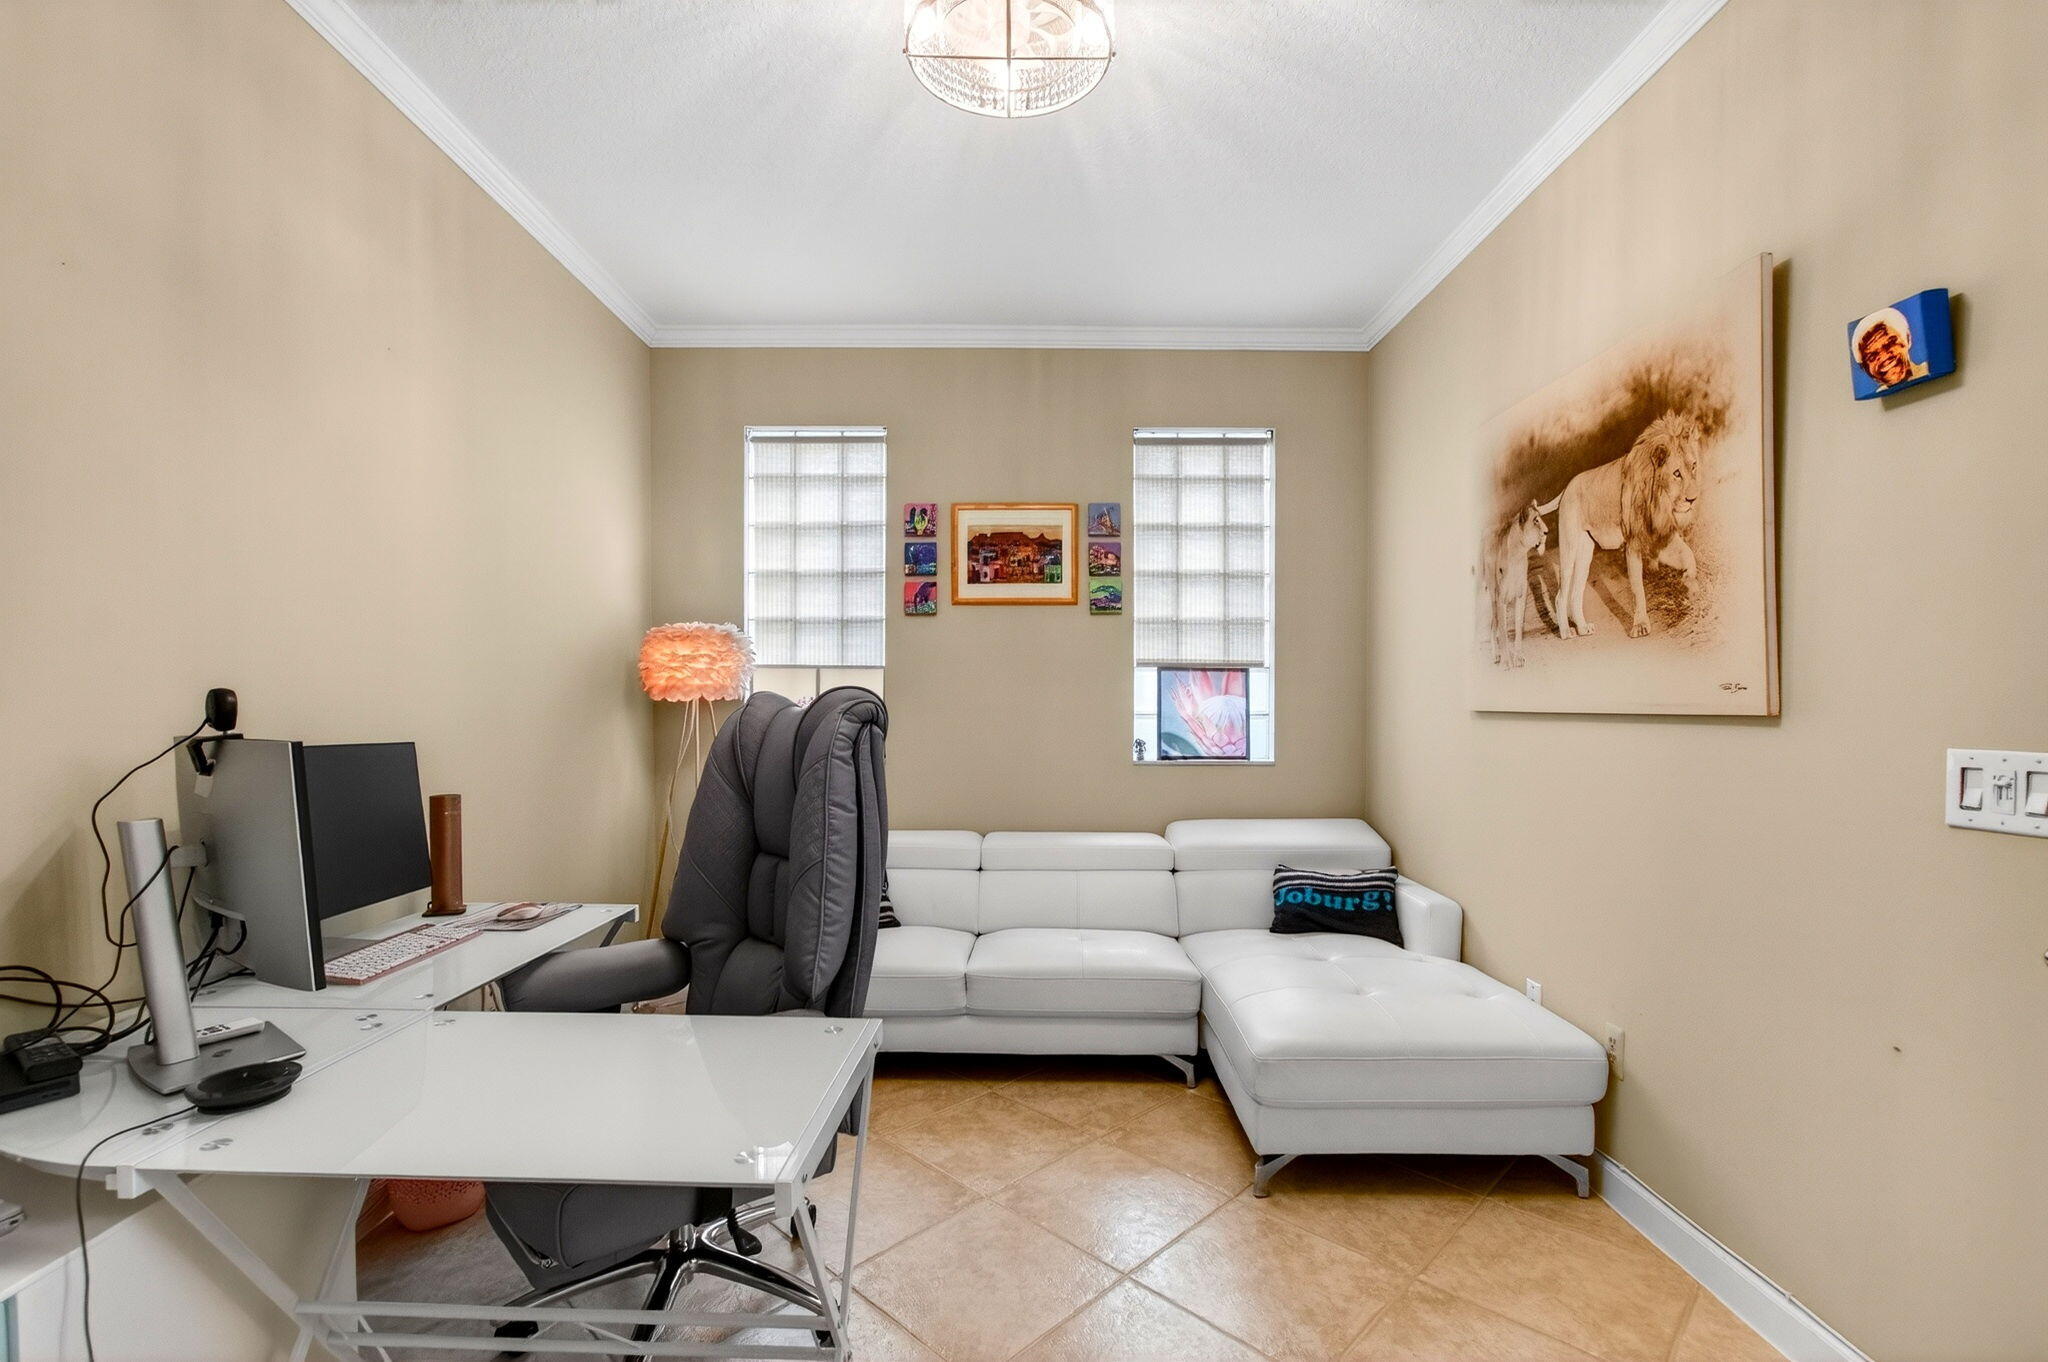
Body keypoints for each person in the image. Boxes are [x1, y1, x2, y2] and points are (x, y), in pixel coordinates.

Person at [1851, 306, 1928, 390]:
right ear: (1867, 370)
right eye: (1872, 357)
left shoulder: (1928, 370)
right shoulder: (1880, 393)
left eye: (1890, 344)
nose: (1884, 358)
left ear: (1907, 339)